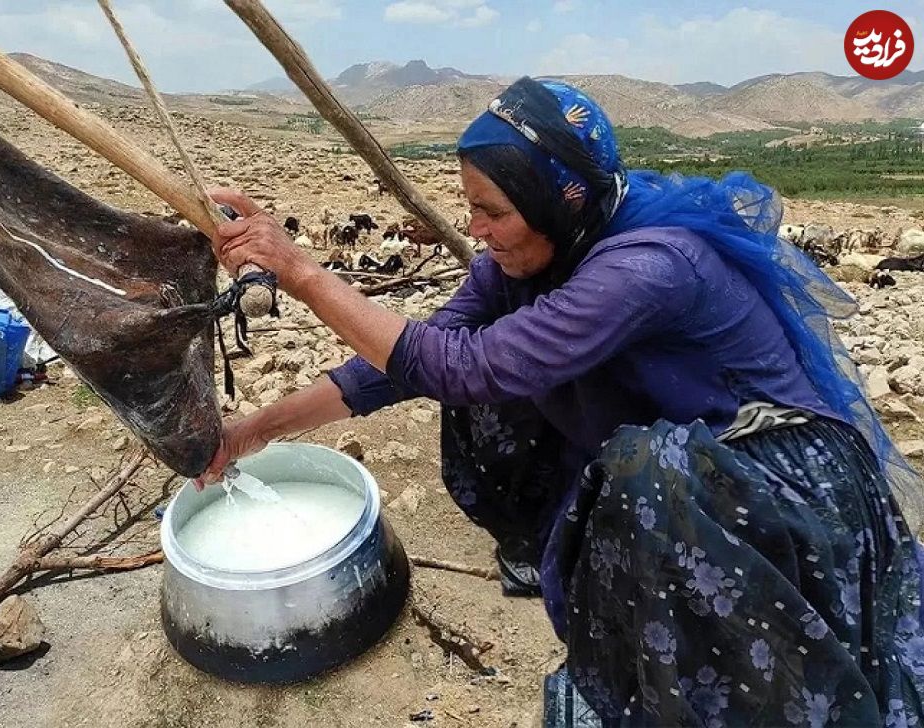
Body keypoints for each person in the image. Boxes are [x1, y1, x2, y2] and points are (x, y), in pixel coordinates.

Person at [200, 76, 924, 726]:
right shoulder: (532, 253)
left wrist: (299, 271)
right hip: (672, 471)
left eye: (493, 212)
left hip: (765, 484)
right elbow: (404, 362)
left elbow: (466, 366)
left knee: (633, 467)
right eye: (470, 209)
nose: (476, 232)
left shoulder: (648, 268)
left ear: (558, 197)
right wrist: (255, 429)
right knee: (521, 398)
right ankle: (579, 579)